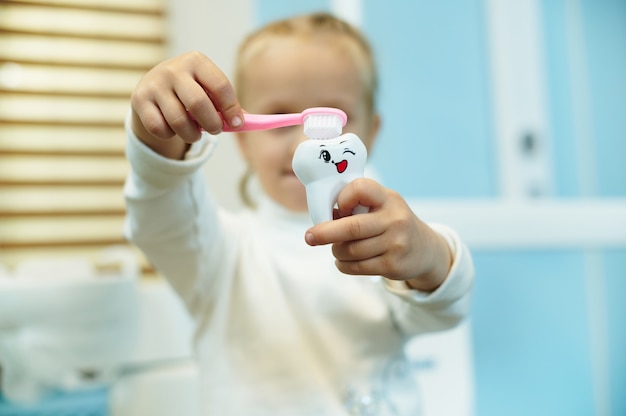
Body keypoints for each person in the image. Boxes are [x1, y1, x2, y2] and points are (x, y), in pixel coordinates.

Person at [124, 12, 474, 416]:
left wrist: (431, 255)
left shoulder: (389, 239)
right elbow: (162, 205)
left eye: (330, 122)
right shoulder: (219, 252)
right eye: (280, 121)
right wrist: (154, 127)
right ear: (243, 143)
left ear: (371, 134)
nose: (307, 145)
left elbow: (443, 314)